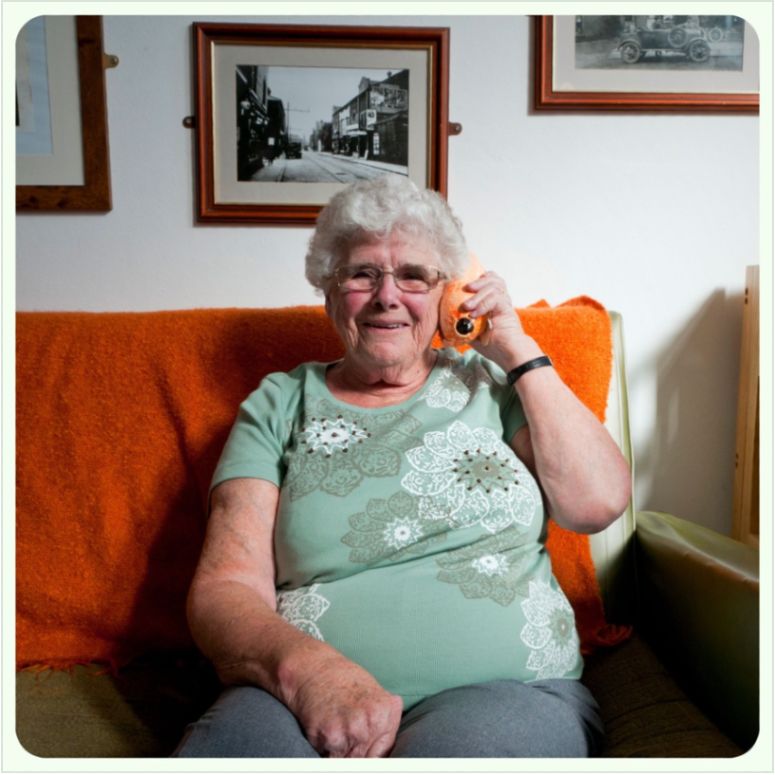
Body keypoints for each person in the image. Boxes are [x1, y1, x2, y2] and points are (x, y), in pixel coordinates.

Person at [174, 175, 631, 758]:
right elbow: (225, 588)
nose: (388, 295)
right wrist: (311, 675)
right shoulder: (280, 403)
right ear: (329, 292)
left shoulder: (496, 388)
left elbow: (596, 505)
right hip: (295, 696)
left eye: (414, 275)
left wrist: (516, 349)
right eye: (362, 273)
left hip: (503, 692)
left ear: (448, 293)